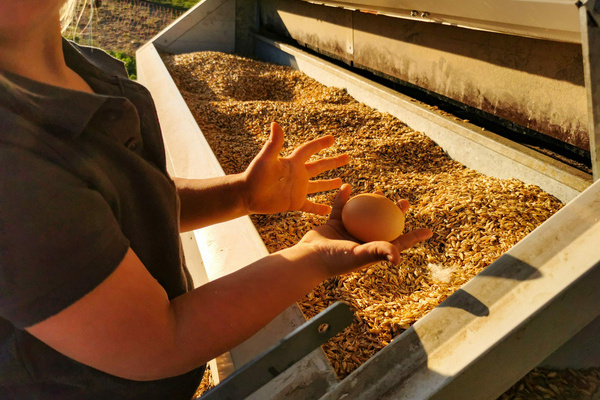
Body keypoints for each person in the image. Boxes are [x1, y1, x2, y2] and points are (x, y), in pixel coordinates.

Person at [0, 0, 433, 399]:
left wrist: (240, 195)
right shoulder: (12, 164)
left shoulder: (85, 67)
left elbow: (126, 208)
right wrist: (313, 257)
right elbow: (158, 342)